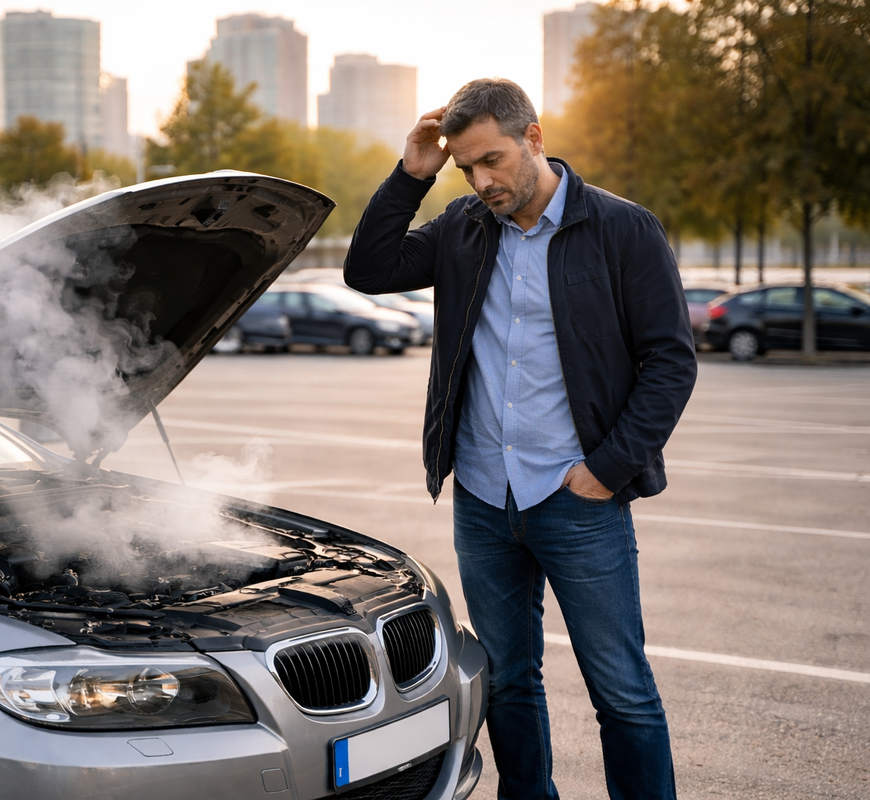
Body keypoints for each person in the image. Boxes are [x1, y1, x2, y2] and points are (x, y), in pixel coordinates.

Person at [344, 78, 696, 800]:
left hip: (578, 498)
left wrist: (608, 468)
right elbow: (369, 270)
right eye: (466, 167)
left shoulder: (623, 229)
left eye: (494, 160)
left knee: (621, 689)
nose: (482, 181)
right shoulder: (462, 227)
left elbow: (670, 360)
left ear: (534, 137)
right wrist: (412, 174)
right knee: (507, 682)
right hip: (481, 495)